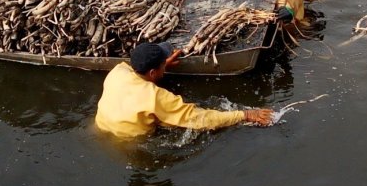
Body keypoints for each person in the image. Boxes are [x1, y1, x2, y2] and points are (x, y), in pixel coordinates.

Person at [95, 42, 274, 139]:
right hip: (131, 142)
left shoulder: (118, 71)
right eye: (163, 65)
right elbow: (199, 118)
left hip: (101, 128)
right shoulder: (156, 97)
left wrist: (162, 66)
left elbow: (143, 79)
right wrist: (245, 115)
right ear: (152, 72)